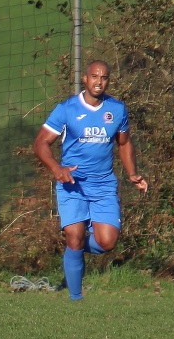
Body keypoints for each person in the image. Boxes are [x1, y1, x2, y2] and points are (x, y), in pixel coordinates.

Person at [33, 60, 147, 300]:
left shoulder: (116, 109)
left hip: (104, 185)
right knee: (74, 235)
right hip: (72, 184)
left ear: (108, 81)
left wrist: (132, 173)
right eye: (94, 76)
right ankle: (76, 300)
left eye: (104, 77)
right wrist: (56, 168)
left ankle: (73, 247)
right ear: (84, 79)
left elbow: (124, 143)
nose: (99, 81)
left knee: (107, 242)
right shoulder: (67, 109)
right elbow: (41, 142)